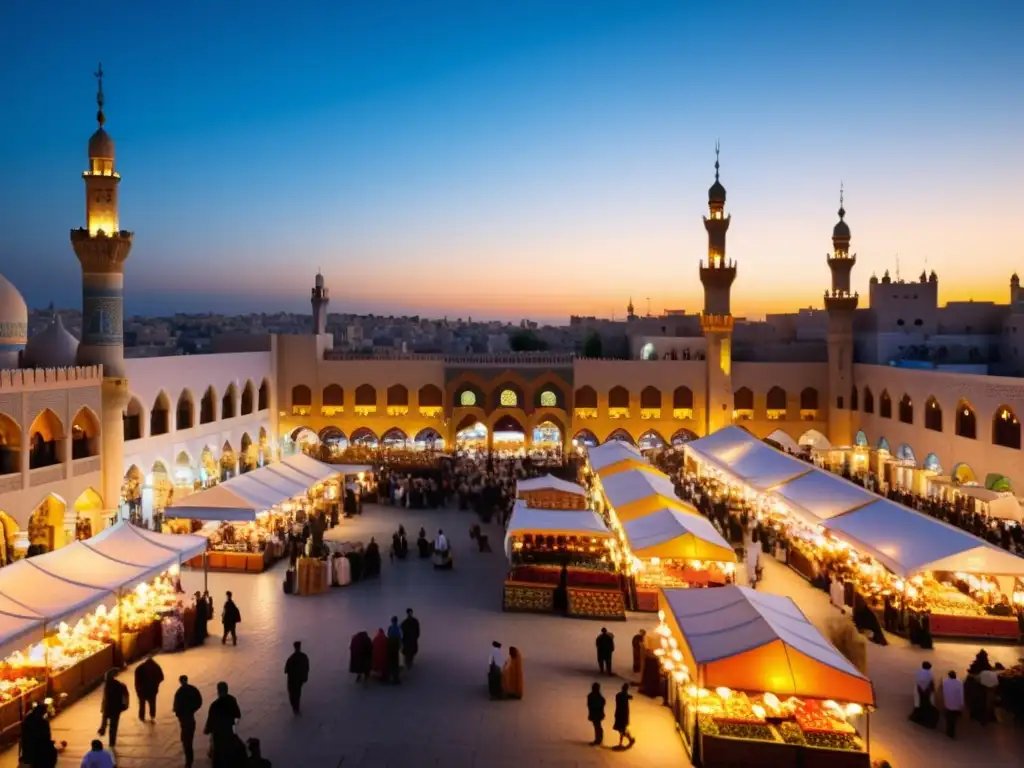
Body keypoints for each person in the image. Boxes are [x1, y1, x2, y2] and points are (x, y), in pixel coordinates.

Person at [204, 682, 242, 766]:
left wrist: (206, 730)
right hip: (229, 732)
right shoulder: (232, 700)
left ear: (218, 691)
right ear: (227, 690)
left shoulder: (214, 705)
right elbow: (238, 715)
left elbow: (210, 722)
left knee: (217, 759)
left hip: (218, 737)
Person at [173, 674, 203, 768]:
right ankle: (190, 759)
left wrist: (178, 714)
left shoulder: (179, 693)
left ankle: (188, 762)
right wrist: (193, 709)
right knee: (188, 740)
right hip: (190, 718)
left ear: (180, 681)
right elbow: (199, 701)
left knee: (186, 741)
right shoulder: (193, 689)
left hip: (184, 720)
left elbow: (176, 707)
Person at [20, 703, 61, 768]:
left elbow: (23, 738)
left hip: (30, 749)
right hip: (39, 750)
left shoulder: (27, 720)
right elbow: (46, 737)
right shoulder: (43, 723)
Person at [97, 669, 128, 747]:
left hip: (107, 707)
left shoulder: (107, 685)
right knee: (113, 726)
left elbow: (104, 698)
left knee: (104, 720)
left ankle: (102, 730)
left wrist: (102, 707)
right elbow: (124, 693)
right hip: (116, 708)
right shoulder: (118, 685)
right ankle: (112, 742)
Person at [134, 655, 165, 722]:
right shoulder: (156, 667)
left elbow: (136, 680)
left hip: (141, 690)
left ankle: (142, 717)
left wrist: (137, 689)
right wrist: (156, 684)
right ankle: (152, 716)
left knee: (142, 704)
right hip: (152, 690)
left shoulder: (139, 668)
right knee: (152, 704)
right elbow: (162, 677)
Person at [908, 661, 938, 729]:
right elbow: (931, 683)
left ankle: (917, 717)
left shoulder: (919, 672)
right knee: (926, 705)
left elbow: (917, 681)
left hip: (919, 691)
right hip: (926, 692)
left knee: (919, 704)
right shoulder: (930, 674)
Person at [285, 640, 310, 714]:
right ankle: (296, 708)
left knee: (293, 695)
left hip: (293, 680)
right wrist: (304, 678)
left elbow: (286, 670)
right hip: (299, 680)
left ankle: (295, 708)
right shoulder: (303, 657)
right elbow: (307, 668)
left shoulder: (291, 658)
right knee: (297, 694)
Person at [941, 670, 964, 739]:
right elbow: (961, 694)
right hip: (956, 704)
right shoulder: (959, 683)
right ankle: (951, 733)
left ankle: (948, 731)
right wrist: (962, 704)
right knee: (954, 719)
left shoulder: (945, 682)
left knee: (949, 718)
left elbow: (944, 692)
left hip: (948, 703)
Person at [614, 682, 635, 748]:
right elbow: (631, 697)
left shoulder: (619, 695)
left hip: (620, 714)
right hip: (623, 714)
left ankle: (623, 742)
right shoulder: (625, 696)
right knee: (622, 729)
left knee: (621, 729)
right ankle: (629, 739)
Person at [587, 682, 606, 746]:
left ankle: (598, 739)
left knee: (597, 726)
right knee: (598, 726)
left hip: (595, 714)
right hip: (598, 713)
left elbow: (590, 705)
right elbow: (603, 702)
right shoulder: (598, 696)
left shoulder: (591, 695)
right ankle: (599, 739)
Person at [386, 617, 402, 683]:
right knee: (395, 661)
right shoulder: (398, 628)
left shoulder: (390, 628)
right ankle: (395, 677)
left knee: (390, 661)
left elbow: (388, 635)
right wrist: (399, 646)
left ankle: (390, 676)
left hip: (390, 645)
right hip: (395, 646)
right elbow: (400, 637)